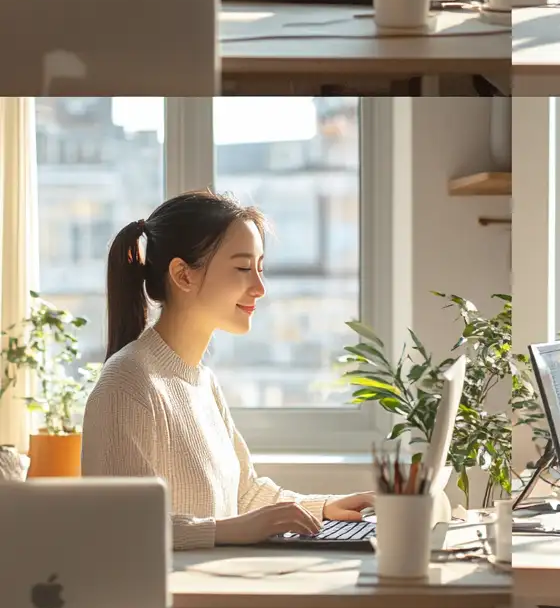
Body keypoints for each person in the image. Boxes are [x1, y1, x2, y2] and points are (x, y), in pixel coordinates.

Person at [82, 192, 378, 549]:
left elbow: (244, 494)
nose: (260, 287)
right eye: (242, 268)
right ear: (182, 275)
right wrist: (229, 530)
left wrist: (326, 507)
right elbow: (118, 528)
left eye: (260, 268)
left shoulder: (202, 381)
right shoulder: (127, 384)